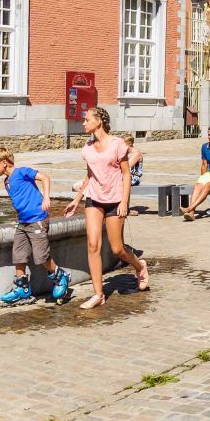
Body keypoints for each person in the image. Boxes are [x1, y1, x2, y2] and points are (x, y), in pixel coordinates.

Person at [63, 105, 148, 309]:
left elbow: (126, 174)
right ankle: (98, 294)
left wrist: (124, 201)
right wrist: (77, 198)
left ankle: (139, 266)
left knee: (117, 248)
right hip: (94, 198)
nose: (83, 123)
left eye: (87, 119)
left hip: (115, 199)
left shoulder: (117, 144)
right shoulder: (88, 148)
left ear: (99, 121)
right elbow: (90, 175)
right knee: (93, 245)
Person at [0, 148, 70, 306]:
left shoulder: (21, 172)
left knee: (41, 256)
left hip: (37, 219)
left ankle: (60, 275)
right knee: (18, 255)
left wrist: (46, 197)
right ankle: (23, 289)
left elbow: (45, 177)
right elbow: (19, 200)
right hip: (23, 222)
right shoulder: (6, 182)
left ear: (4, 163)